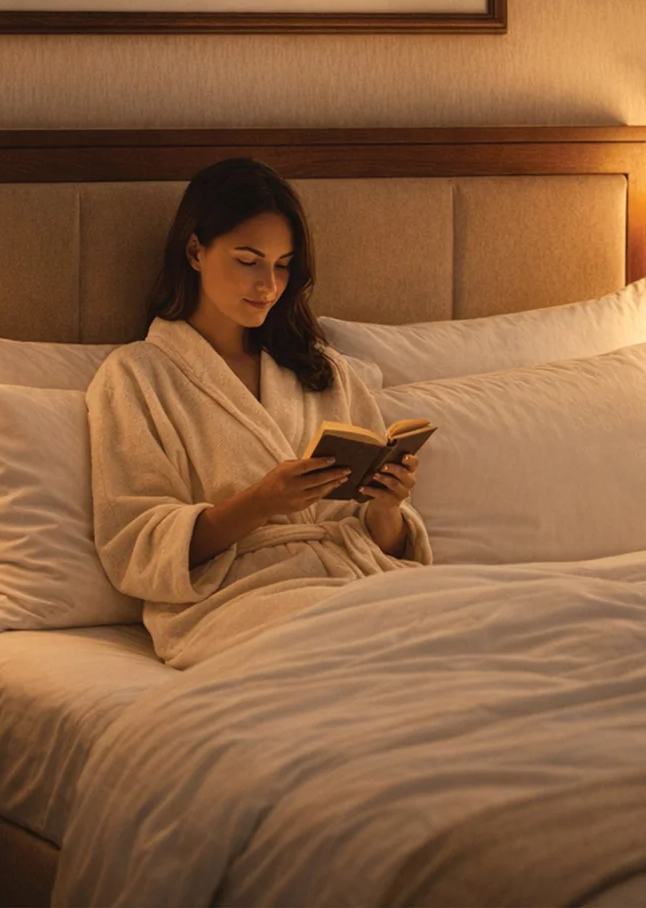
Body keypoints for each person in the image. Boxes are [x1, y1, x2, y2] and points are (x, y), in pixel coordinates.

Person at [86, 158, 432, 668]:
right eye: (249, 261)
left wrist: (386, 510)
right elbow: (135, 546)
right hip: (240, 603)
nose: (268, 285)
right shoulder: (137, 376)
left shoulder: (323, 370)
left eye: (283, 265)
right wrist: (261, 501)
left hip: (365, 582)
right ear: (196, 251)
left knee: (477, 621)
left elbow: (384, 539)